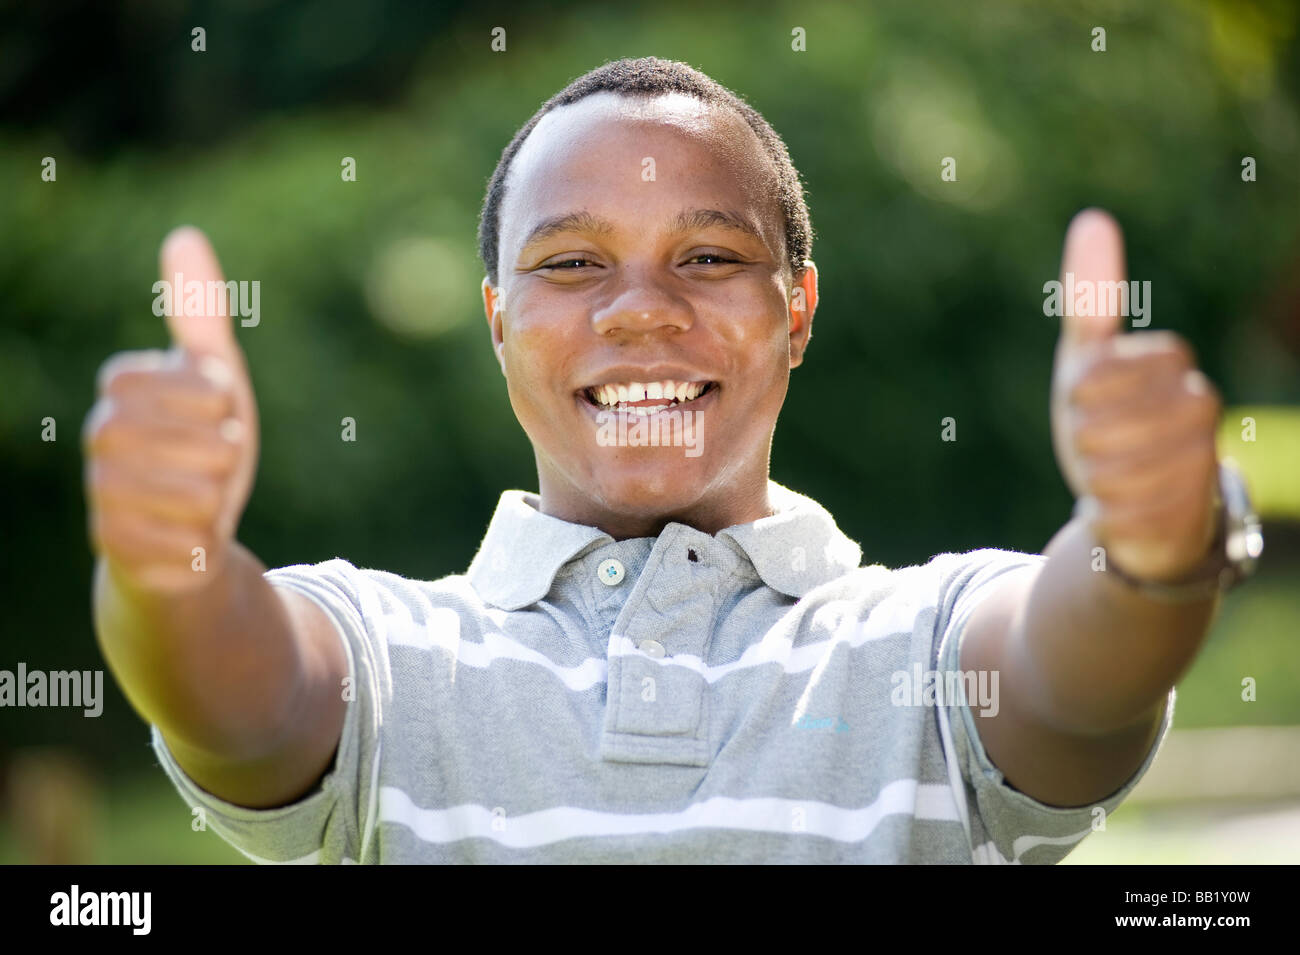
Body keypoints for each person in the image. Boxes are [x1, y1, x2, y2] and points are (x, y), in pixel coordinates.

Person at [86, 57, 1239, 863]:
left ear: (797, 314)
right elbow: (238, 699)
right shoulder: (389, 659)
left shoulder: (926, 642)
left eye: (706, 255)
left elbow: (1076, 672)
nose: (640, 310)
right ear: (498, 320)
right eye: (574, 265)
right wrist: (164, 567)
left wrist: (1149, 546)